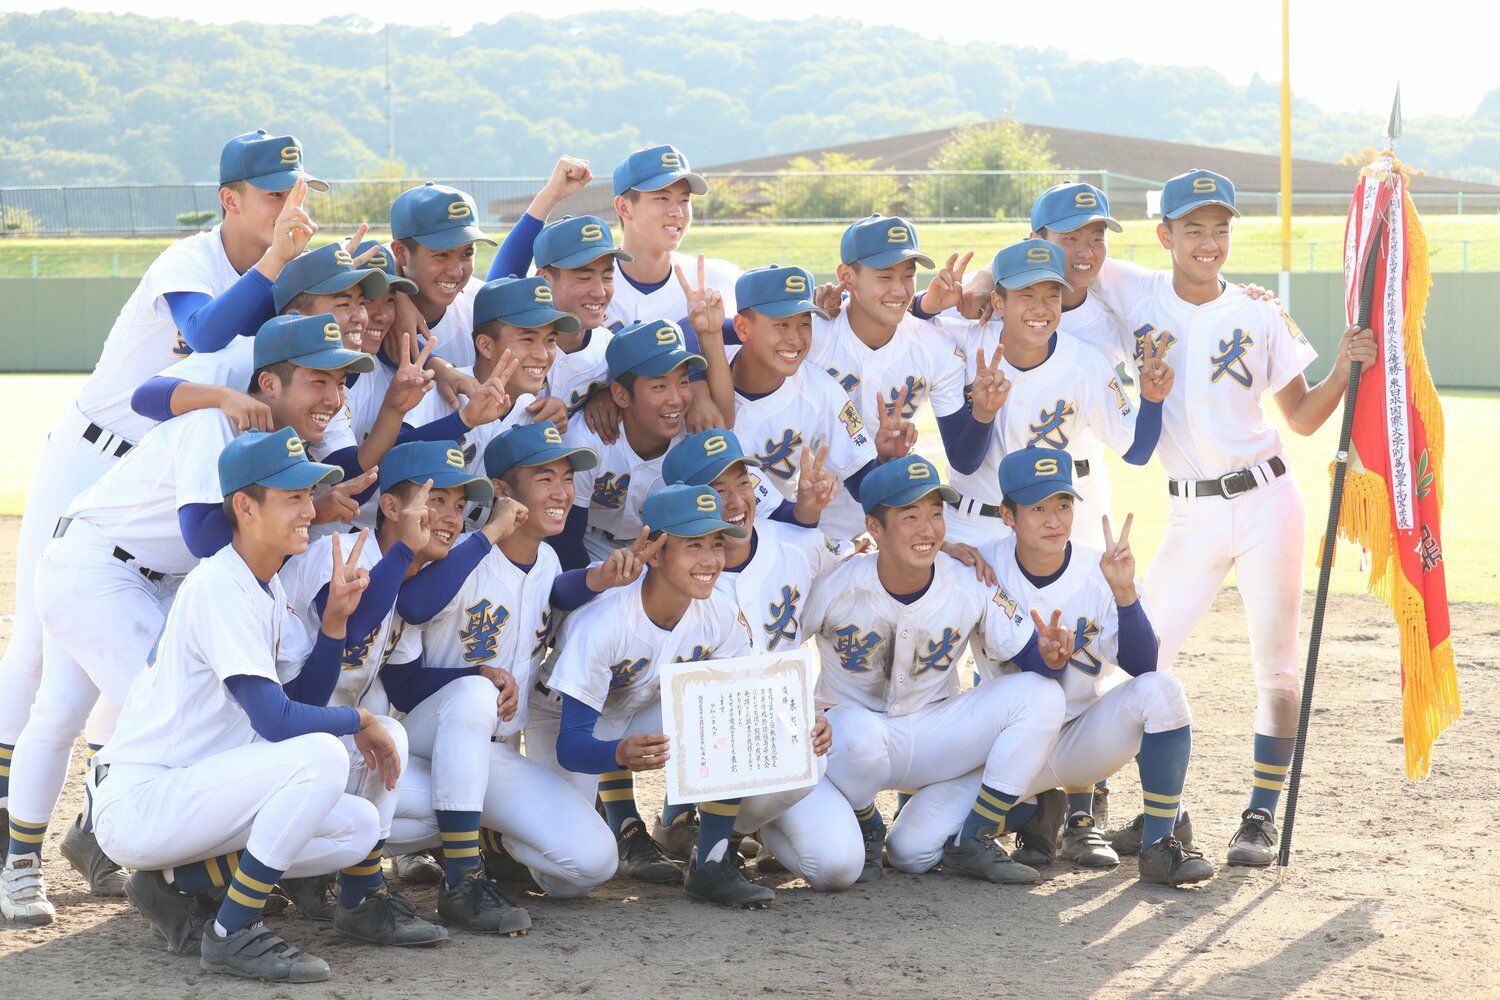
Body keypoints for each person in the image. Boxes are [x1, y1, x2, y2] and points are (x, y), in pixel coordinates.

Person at [0, 131, 323, 870]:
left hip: (174, 471)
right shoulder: (189, 260)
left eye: (296, 192)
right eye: (274, 194)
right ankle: (10, 826)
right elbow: (202, 330)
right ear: (229, 200)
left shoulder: (289, 273)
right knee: (41, 648)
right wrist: (278, 257)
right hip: (94, 455)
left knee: (142, 666)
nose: (287, 207)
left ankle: (96, 824)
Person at [1, 314, 374, 927]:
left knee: (175, 716)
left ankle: (125, 846)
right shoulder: (213, 424)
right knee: (102, 709)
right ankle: (27, 865)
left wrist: (305, 503)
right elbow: (205, 537)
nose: (334, 399)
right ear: (270, 384)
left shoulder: (279, 448)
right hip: (98, 569)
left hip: (151, 579)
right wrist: (280, 514)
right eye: (318, 381)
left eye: (341, 383)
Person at [1099, 169, 1377, 866]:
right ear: (1163, 235)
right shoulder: (1131, 289)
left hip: (1266, 502)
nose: (1208, 241)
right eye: (1193, 227)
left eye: (1220, 227)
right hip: (1189, 511)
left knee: (1276, 669)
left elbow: (1305, 419)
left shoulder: (1261, 310)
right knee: (1139, 661)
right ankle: (1159, 809)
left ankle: (1260, 816)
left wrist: (1343, 368)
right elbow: (1060, 254)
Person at [88, 428, 410, 982]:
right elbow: (276, 720)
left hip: (199, 789)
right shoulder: (221, 585)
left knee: (355, 827)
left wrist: (333, 625)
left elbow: (300, 702)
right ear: (245, 506)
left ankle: (174, 884)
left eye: (309, 495)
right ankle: (232, 932)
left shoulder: (268, 588)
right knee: (323, 758)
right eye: (293, 498)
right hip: (146, 798)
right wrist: (358, 718)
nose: (310, 510)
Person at [533, 483, 831, 907]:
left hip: (638, 705)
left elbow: (748, 699)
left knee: (748, 718)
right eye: (694, 545)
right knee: (570, 877)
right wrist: (617, 755)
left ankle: (711, 861)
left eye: (716, 542)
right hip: (563, 718)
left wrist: (803, 721)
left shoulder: (720, 610)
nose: (711, 559)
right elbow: (571, 745)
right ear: (654, 551)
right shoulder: (604, 620)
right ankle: (498, 836)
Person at [800, 455, 1075, 884]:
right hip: (851, 746)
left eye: (936, 513)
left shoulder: (969, 578)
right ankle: (866, 822)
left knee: (912, 853)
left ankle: (978, 834)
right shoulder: (835, 583)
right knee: (856, 735)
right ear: (874, 527)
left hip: (936, 734)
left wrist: (1052, 657)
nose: (928, 529)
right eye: (910, 516)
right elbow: (776, 649)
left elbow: (1030, 655)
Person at [966, 447, 1214, 886]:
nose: (1053, 519)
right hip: (1007, 750)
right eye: (1037, 508)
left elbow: (1143, 664)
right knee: (924, 845)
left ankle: (1159, 844)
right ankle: (1037, 810)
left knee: (1163, 690)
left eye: (1062, 505)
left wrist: (1124, 596)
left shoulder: (1100, 567)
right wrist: (950, 546)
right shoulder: (982, 566)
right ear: (1007, 514)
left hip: (1084, 738)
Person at [934, 239, 1172, 549]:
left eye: (1052, 295)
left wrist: (1153, 402)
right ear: (999, 302)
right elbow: (908, 328)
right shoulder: (963, 339)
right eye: (1026, 294)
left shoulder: (1086, 365)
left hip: (1043, 535)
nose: (1041, 307)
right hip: (969, 527)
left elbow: (1136, 452)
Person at [552, 319, 705, 568]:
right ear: (621, 395)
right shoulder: (587, 440)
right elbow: (566, 540)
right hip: (588, 546)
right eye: (659, 385)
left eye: (683, 382)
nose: (676, 399)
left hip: (659, 553)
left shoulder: (694, 436)